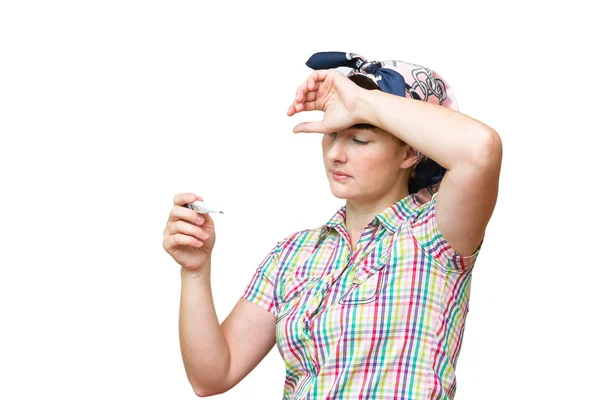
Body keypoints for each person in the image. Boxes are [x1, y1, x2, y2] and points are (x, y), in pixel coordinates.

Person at [163, 51, 502, 399]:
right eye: (331, 134)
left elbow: (481, 149)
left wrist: (362, 101)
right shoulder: (293, 254)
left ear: (409, 153)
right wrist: (195, 272)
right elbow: (213, 376)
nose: (334, 154)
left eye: (360, 138)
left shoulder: (435, 233)